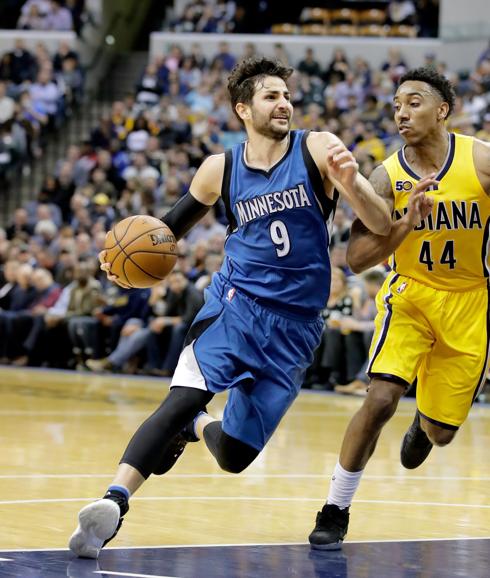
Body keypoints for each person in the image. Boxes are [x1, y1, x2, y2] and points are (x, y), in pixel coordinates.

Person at [68, 56, 393, 559]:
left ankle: (195, 427)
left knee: (236, 456)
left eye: (287, 95)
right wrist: (119, 262)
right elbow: (165, 231)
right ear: (243, 108)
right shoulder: (221, 168)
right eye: (271, 95)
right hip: (235, 305)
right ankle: (112, 502)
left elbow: (380, 223)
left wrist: (352, 186)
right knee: (182, 396)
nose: (284, 102)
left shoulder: (319, 148)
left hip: (296, 328)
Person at [309, 66, 490, 550]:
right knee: (380, 399)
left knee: (443, 434)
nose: (401, 112)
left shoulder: (481, 161)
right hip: (410, 295)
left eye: (413, 102)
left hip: (471, 302)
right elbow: (355, 260)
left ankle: (426, 424)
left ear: (443, 110)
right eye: (395, 105)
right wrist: (404, 224)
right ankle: (335, 507)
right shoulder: (385, 176)